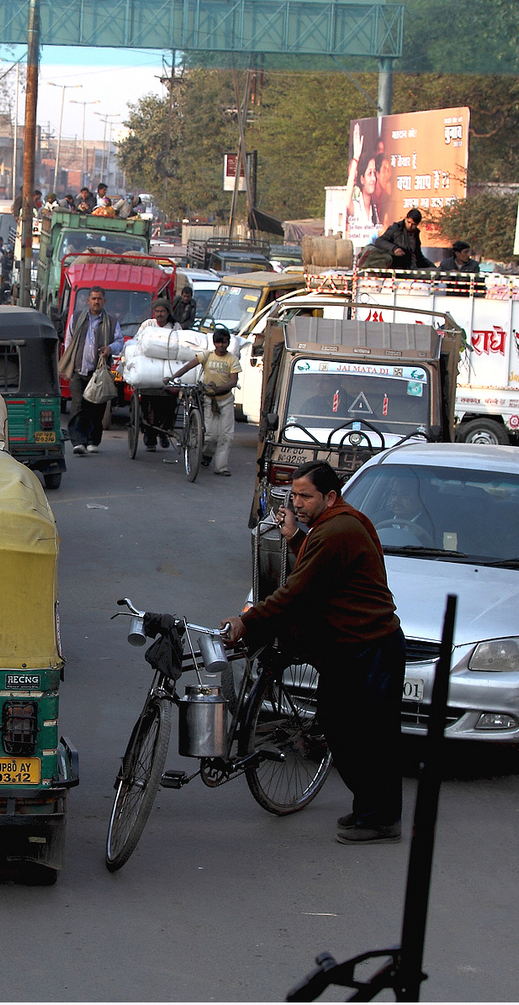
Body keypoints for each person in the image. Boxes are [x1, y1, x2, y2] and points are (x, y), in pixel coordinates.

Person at [221, 460, 405, 845]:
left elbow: (297, 592)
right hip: (350, 646)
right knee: (342, 728)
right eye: (294, 495)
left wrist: (248, 622)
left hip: (369, 647)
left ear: (330, 496)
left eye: (305, 496)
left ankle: (382, 818)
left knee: (366, 736)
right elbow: (318, 565)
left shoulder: (339, 528)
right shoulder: (329, 527)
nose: (297, 503)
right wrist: (292, 537)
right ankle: (369, 810)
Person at [58, 285, 122, 455]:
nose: (96, 301)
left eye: (99, 299)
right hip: (78, 370)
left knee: (96, 408)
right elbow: (69, 339)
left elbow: (119, 342)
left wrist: (110, 348)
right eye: (93, 298)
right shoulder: (78, 317)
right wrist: (67, 364)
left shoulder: (111, 321)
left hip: (99, 372)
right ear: (88, 301)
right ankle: (78, 442)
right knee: (78, 406)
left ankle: (93, 441)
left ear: (104, 301)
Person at [168, 327, 241, 476]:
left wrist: (218, 389)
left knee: (226, 435)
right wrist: (172, 378)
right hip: (209, 399)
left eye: (224, 342)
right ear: (214, 343)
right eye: (218, 342)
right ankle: (206, 455)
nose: (221, 345)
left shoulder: (232, 359)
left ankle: (221, 467)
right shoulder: (206, 356)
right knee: (210, 435)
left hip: (225, 400)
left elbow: (233, 381)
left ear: (228, 343)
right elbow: (188, 366)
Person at [135, 300, 180, 451]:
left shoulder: (175, 327)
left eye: (163, 311)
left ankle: (164, 432)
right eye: (157, 311)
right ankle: (150, 436)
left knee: (170, 405)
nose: (160, 314)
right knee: (149, 405)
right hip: (150, 371)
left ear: (168, 312)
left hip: (168, 371)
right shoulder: (148, 325)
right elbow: (137, 342)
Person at [369, 208, 433, 270]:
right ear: (406, 218)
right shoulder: (396, 229)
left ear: (417, 224)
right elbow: (379, 241)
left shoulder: (415, 234)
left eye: (413, 224)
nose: (410, 225)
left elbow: (418, 256)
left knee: (435, 273)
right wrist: (394, 249)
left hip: (412, 268)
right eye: (408, 222)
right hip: (397, 268)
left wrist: (433, 267)